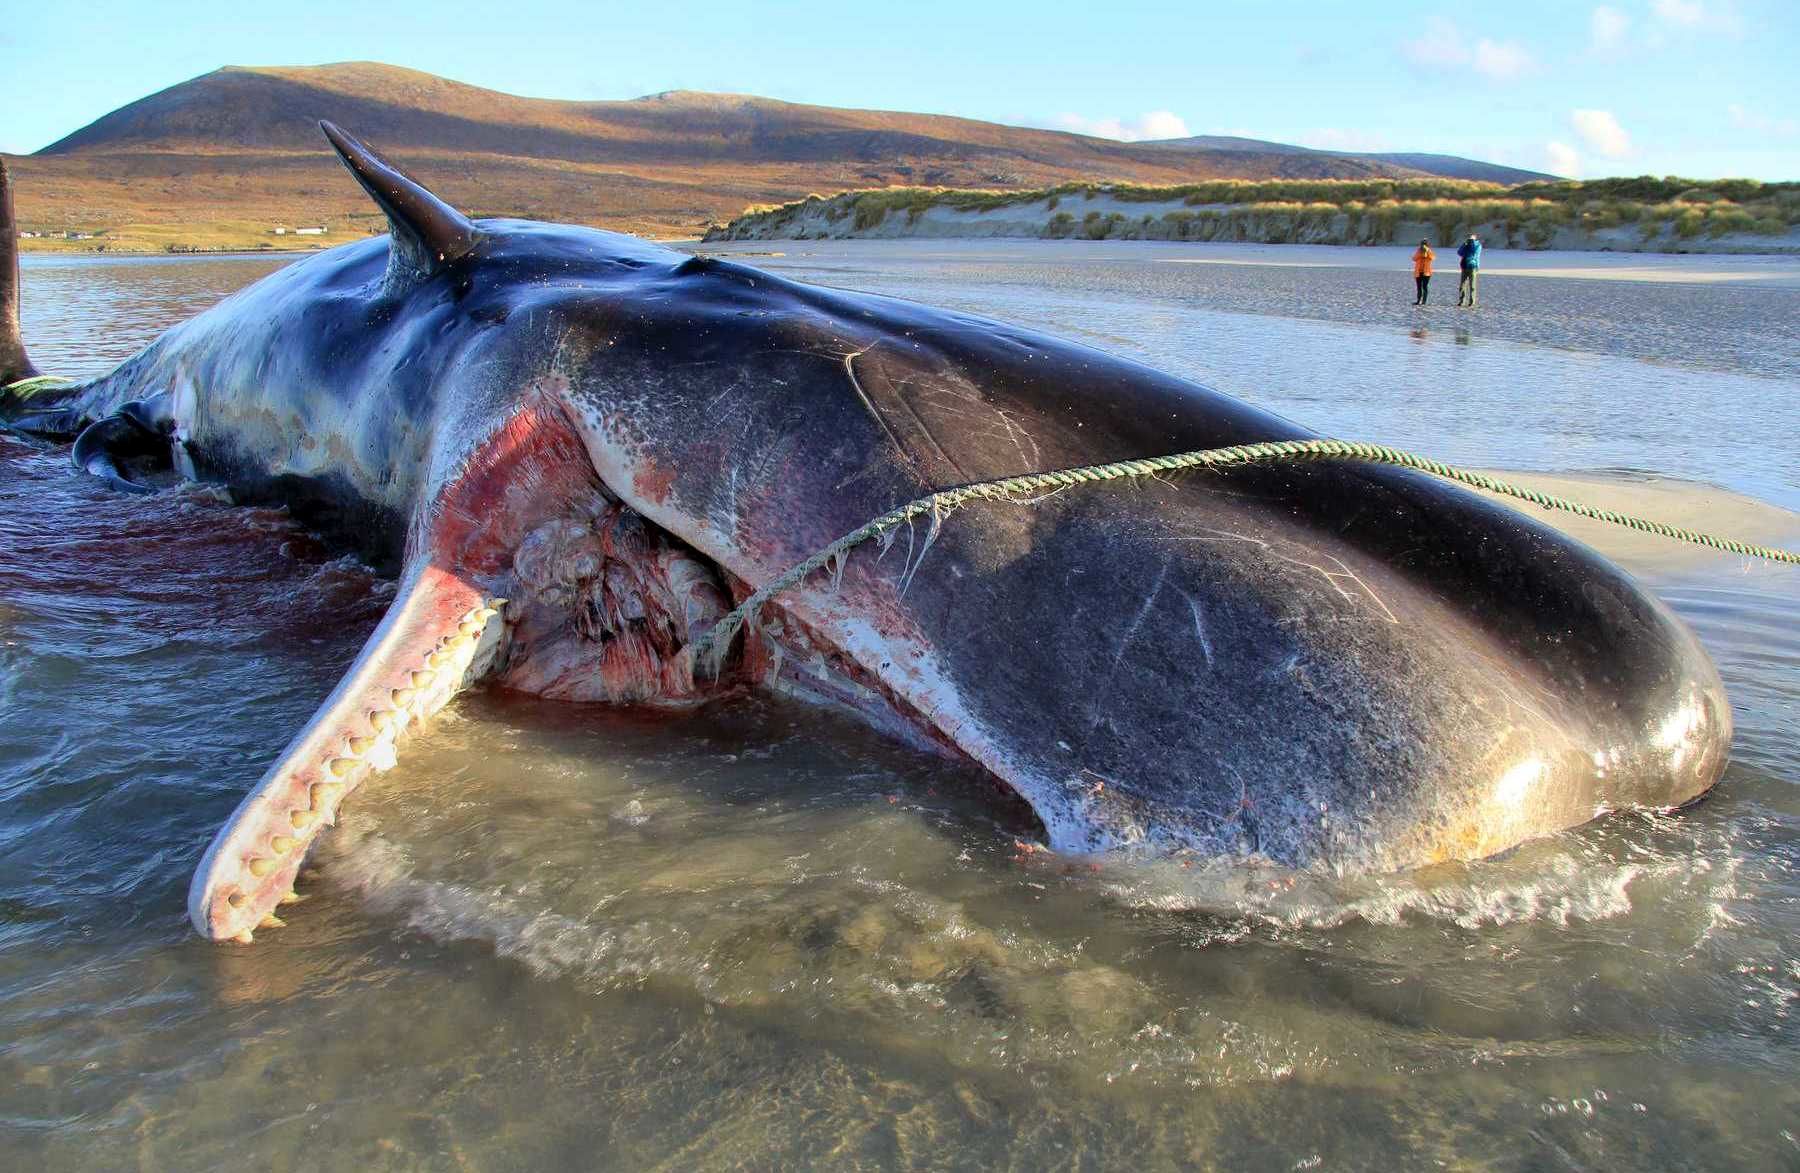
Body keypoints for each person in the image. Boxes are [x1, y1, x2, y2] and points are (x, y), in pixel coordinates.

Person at [1456, 233, 1482, 307]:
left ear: (1475, 238)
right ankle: (1461, 301)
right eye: (1469, 238)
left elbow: (1474, 253)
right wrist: (1464, 244)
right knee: (1462, 285)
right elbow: (1459, 253)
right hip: (1464, 266)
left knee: (1472, 286)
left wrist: (1472, 242)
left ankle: (1472, 302)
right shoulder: (1466, 245)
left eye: (1471, 238)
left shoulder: (1478, 245)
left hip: (1473, 266)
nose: (1470, 240)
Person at [1411, 239, 1434, 305]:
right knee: (1419, 287)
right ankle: (1418, 300)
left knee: (1424, 287)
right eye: (1422, 244)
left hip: (1427, 273)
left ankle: (1424, 301)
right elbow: (1414, 258)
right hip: (1418, 272)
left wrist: (1427, 251)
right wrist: (1420, 253)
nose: (1423, 246)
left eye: (1424, 244)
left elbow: (1433, 257)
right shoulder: (1418, 251)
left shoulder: (1429, 251)